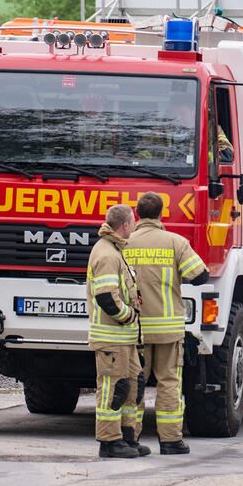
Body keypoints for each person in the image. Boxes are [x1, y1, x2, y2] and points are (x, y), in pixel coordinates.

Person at [122, 193, 209, 455]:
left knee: (134, 383)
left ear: (136, 215)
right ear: (162, 214)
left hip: (135, 328)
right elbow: (200, 276)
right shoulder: (175, 242)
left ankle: (130, 438)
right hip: (169, 330)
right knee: (169, 382)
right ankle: (170, 441)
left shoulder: (124, 243)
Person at [87, 204, 145, 459]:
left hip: (124, 339)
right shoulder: (107, 254)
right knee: (113, 389)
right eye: (133, 222)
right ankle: (109, 441)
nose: (135, 226)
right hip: (112, 338)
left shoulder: (115, 250)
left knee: (132, 386)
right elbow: (106, 298)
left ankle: (127, 437)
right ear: (124, 225)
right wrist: (128, 315)